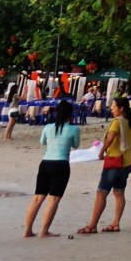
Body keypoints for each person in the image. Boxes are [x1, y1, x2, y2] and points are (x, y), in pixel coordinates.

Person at [78, 100, 131, 234]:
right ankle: (116, 223)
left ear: (121, 108)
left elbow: (110, 138)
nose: (112, 109)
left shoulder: (117, 122)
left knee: (102, 192)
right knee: (119, 192)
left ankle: (92, 225)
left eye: (114, 107)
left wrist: (101, 151)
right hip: (126, 162)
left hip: (115, 160)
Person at [22, 101, 79, 238]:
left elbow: (43, 142)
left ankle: (27, 230)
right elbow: (76, 145)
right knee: (53, 199)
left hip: (46, 162)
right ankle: (44, 231)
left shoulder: (48, 127)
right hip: (61, 164)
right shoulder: (73, 129)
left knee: (37, 198)